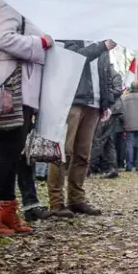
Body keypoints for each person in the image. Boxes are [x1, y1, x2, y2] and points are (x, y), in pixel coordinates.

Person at [0, 0, 52, 235]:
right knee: (8, 149)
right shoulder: (8, 2)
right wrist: (41, 42)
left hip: (22, 87)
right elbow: (2, 38)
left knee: (13, 149)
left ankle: (6, 209)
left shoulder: (19, 4)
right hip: (13, 86)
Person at [47, 38, 119, 217]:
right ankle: (56, 202)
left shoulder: (101, 41)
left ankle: (76, 199)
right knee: (64, 152)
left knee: (83, 155)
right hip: (72, 100)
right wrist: (102, 46)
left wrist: (106, 103)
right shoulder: (72, 37)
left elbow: (105, 75)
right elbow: (74, 59)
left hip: (94, 105)